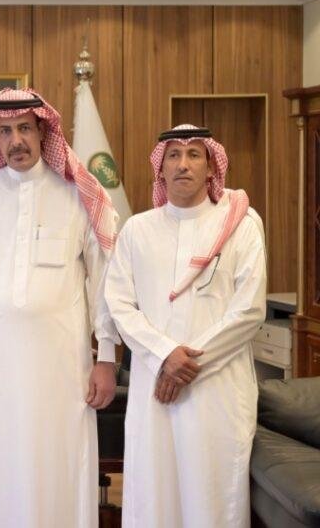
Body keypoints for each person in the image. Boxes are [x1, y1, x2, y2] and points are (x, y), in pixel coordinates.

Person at [0, 87, 121, 528]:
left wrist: (106, 356)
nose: (16, 141)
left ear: (43, 131)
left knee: (58, 463)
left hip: (62, 367)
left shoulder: (78, 194)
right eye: (5, 131)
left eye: (24, 128)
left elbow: (103, 282)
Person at [102, 124, 265, 527]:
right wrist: (164, 356)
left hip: (217, 389)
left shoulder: (241, 225)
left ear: (211, 166)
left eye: (194, 154)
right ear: (160, 168)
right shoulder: (137, 230)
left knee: (213, 496)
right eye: (173, 155)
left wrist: (185, 364)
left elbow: (248, 311)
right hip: (154, 387)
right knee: (153, 494)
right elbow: (119, 304)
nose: (183, 164)